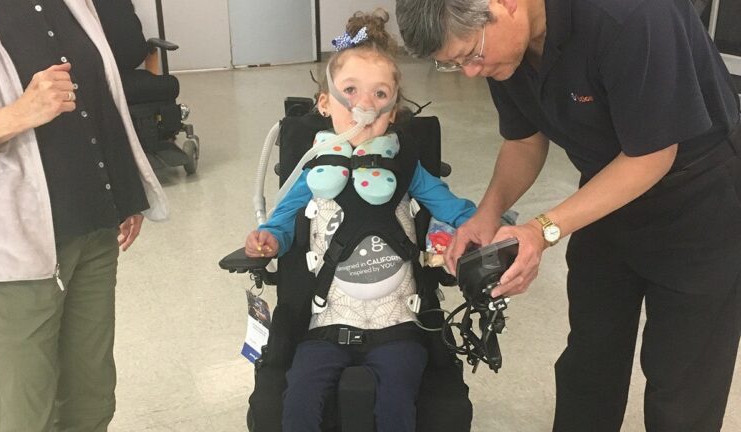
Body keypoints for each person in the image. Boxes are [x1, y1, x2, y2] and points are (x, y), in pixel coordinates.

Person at [395, 0, 741, 430]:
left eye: (470, 55)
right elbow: (524, 140)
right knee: (589, 362)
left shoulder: (631, 14)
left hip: (700, 197)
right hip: (604, 190)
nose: (470, 71)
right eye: (454, 64)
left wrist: (541, 231)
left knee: (683, 381)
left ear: (505, 4)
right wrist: (487, 214)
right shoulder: (504, 50)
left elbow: (652, 156)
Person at [244, 10, 478, 432]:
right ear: (325, 101)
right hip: (327, 323)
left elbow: (457, 211)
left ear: (393, 109)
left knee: (396, 406)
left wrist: (483, 229)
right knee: (298, 400)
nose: (363, 106)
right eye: (350, 90)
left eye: (378, 94)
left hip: (398, 325)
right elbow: (280, 222)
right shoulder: (313, 170)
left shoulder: (406, 166)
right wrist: (269, 240)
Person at [0, 1, 168, 431]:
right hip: (17, 248)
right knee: (27, 414)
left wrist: (126, 188)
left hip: (96, 226)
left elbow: (101, 99)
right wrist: (14, 116)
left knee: (91, 399)